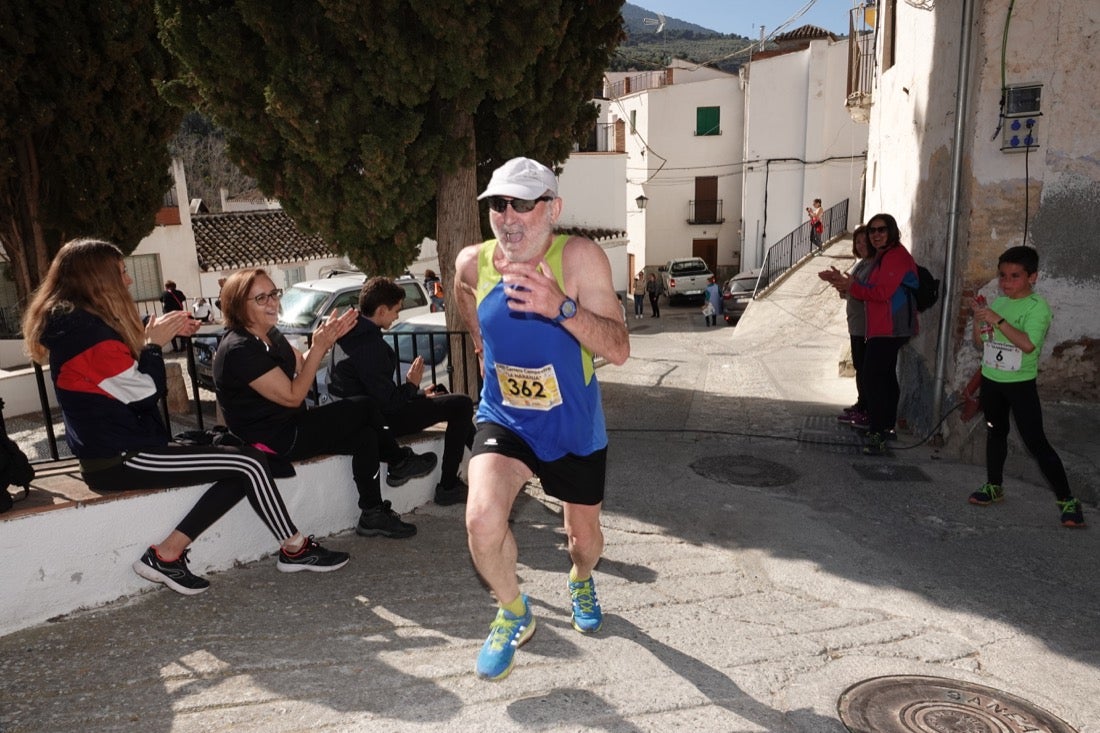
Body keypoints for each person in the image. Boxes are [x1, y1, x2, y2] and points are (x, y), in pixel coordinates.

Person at [21, 239, 350, 596]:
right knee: (251, 464)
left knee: (243, 466)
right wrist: (152, 345)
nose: (129, 281)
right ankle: (295, 547)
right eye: (122, 273)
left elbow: (118, 381)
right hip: (121, 456)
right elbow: (145, 393)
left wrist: (152, 337)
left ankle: (167, 555)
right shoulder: (84, 334)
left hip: (123, 449)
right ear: (97, 279)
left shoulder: (77, 328)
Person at [454, 156, 630, 680]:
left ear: (552, 208)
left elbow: (619, 348)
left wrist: (561, 308)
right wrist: (480, 340)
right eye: (497, 205)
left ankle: (580, 579)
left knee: (584, 542)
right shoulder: (473, 261)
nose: (508, 217)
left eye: (522, 204)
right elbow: (465, 291)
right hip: (505, 420)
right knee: (482, 522)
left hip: (572, 426)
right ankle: (513, 612)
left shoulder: (579, 259)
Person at [212, 269, 438, 539]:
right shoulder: (239, 349)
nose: (272, 302)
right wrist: (319, 347)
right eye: (261, 298)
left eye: (274, 294)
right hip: (274, 440)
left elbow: (300, 364)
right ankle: (399, 460)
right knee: (364, 406)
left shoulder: (270, 334)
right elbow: (293, 395)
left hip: (292, 424)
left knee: (365, 436)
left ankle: (372, 513)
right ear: (238, 305)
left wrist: (325, 342)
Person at [329, 276, 475, 507]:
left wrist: (417, 393)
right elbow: (388, 403)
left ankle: (486, 465)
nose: (398, 316)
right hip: (381, 421)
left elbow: (376, 390)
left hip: (368, 414)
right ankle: (449, 486)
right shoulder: (368, 344)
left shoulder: (349, 332)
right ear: (382, 310)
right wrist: (411, 386)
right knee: (463, 404)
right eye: (396, 311)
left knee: (441, 392)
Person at [968, 246, 1085, 528]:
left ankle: (1068, 501)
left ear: (1033, 277)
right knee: (996, 433)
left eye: (1015, 276)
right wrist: (979, 318)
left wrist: (998, 320)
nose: (1006, 282)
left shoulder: (1037, 307)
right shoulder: (999, 304)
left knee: (1036, 442)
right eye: (1002, 276)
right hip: (993, 381)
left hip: (1020, 384)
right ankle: (994, 486)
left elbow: (1027, 344)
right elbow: (981, 343)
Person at [820, 213, 918, 455]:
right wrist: (846, 284)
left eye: (881, 230)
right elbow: (868, 289)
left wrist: (850, 285)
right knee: (883, 377)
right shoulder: (882, 257)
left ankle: (878, 432)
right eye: (872, 231)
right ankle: (884, 427)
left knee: (874, 378)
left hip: (890, 328)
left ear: (892, 231)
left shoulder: (895, 257)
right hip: (880, 327)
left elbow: (881, 292)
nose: (875, 235)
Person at [821, 225, 874, 427]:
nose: (860, 245)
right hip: (856, 323)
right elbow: (852, 291)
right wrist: (839, 283)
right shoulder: (861, 264)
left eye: (864, 241)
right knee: (860, 366)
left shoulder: (873, 266)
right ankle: (862, 404)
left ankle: (866, 408)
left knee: (865, 368)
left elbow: (867, 292)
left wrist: (846, 284)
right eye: (857, 242)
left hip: (865, 324)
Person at [160, 279, 188, 351]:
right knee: (182, 329)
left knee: (172, 331)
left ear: (166, 287)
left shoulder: (164, 293)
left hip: (169, 315)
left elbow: (161, 300)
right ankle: (183, 347)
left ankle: (175, 348)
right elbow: (184, 298)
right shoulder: (179, 292)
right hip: (179, 314)